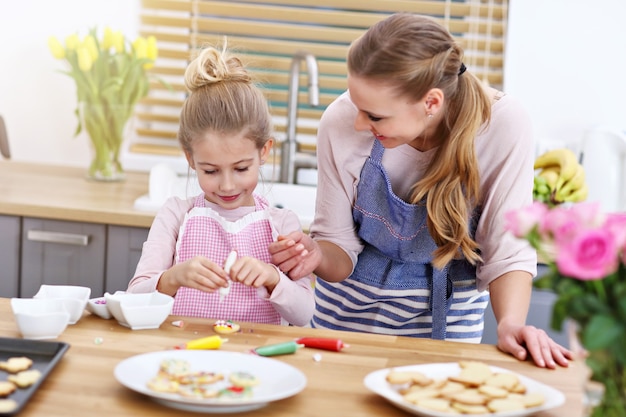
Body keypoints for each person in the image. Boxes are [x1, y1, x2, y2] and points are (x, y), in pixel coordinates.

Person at [269, 13, 573, 367]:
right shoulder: (339, 123)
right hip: (344, 326)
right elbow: (339, 247)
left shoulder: (502, 126)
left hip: (446, 330)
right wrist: (316, 255)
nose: (358, 123)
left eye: (375, 116)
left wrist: (510, 325)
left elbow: (507, 253)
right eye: (357, 106)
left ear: (431, 103)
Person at [128, 43, 314, 327]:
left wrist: (273, 277)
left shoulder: (282, 225)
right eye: (211, 170)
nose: (227, 185)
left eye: (241, 168)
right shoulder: (176, 215)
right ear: (190, 158)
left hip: (256, 362)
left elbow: (305, 315)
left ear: (264, 152)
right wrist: (172, 278)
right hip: (183, 358)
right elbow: (134, 297)